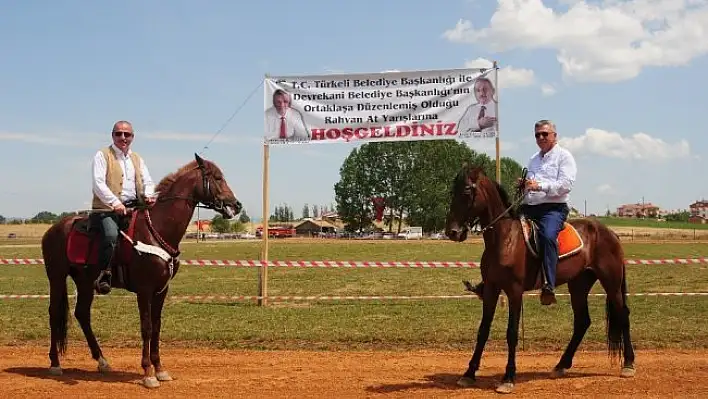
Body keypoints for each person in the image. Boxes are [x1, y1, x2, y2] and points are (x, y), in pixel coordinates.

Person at [91, 120, 156, 294]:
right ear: (112, 136)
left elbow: (148, 181)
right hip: (107, 209)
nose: (123, 137)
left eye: (127, 134)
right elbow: (98, 183)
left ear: (132, 137)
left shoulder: (137, 159)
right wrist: (115, 203)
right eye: (118, 133)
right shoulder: (102, 155)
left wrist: (149, 195)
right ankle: (104, 274)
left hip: (134, 208)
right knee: (111, 235)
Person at [520, 119, 577, 305]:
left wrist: (540, 186)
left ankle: (548, 285)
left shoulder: (564, 156)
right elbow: (530, 184)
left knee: (547, 236)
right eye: (537, 134)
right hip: (529, 207)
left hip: (553, 209)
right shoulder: (533, 159)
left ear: (554, 135)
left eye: (545, 134)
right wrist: (524, 186)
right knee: (503, 230)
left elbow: (566, 185)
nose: (541, 137)